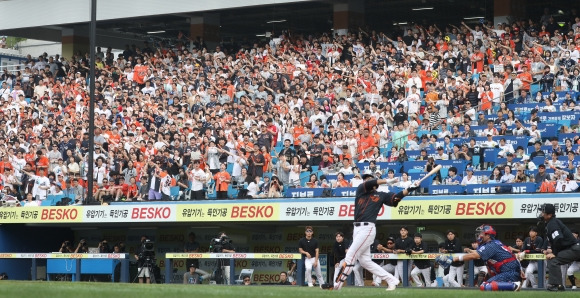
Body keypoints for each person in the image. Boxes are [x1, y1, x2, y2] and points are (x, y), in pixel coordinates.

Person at [327, 174, 417, 291]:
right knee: (365, 261)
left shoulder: (381, 195)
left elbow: (396, 198)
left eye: (370, 178)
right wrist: (386, 181)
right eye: (366, 179)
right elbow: (369, 184)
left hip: (367, 228)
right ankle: (392, 280)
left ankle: (336, 286)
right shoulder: (361, 190)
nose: (367, 180)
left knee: (350, 255)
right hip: (357, 228)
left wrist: (410, 188)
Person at [438, 225, 523, 291]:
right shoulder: (493, 243)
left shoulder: (491, 245)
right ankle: (510, 285)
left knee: (484, 286)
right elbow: (478, 253)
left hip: (509, 272)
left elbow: (475, 255)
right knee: (490, 287)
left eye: (482, 233)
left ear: (488, 236)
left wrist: (454, 259)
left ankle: (514, 285)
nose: (480, 235)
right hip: (509, 270)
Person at [538, 203, 580, 291]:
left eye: (543, 212)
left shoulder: (552, 223)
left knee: (553, 260)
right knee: (552, 258)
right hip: (573, 248)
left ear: (549, 215)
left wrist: (554, 253)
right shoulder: (551, 222)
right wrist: (552, 251)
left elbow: (558, 239)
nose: (541, 213)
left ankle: (556, 285)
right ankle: (558, 285)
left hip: (574, 249)